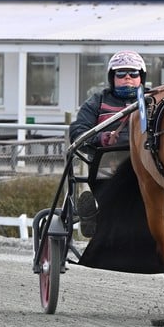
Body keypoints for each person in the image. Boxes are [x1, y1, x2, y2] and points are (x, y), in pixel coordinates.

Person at [69, 51, 147, 235]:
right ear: (112, 77)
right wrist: (100, 138)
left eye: (133, 73)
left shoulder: (154, 100)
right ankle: (93, 213)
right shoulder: (97, 101)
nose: (127, 78)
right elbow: (77, 131)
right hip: (108, 167)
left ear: (141, 77)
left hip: (147, 166)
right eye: (121, 74)